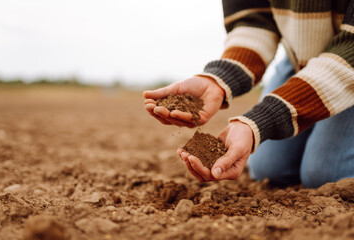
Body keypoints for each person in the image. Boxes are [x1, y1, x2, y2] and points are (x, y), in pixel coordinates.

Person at [143, 0, 354, 188]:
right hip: (300, 58)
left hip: (349, 56)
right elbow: (253, 22)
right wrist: (217, 80)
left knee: (326, 174)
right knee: (269, 169)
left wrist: (260, 122)